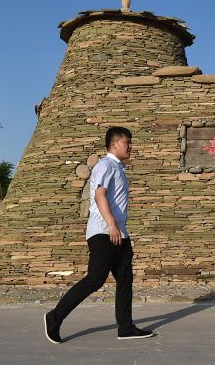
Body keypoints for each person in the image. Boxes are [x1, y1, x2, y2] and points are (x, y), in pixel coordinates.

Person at [43, 126, 154, 343]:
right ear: (114, 144)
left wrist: (118, 229)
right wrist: (111, 224)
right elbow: (99, 195)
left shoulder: (118, 168)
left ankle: (125, 327)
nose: (130, 146)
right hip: (104, 233)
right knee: (95, 280)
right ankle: (54, 317)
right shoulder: (105, 165)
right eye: (127, 142)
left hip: (119, 234)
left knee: (125, 280)